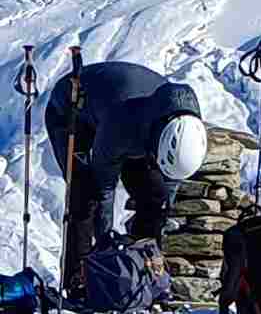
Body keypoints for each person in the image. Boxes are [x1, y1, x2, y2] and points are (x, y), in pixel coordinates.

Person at [44, 61, 207, 292]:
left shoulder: (189, 129)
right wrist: (106, 248)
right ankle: (79, 279)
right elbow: (104, 189)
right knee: (85, 194)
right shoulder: (121, 126)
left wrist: (162, 212)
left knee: (154, 196)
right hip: (72, 110)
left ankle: (142, 274)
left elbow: (170, 181)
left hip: (139, 124)